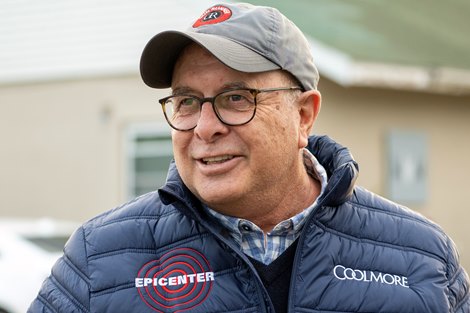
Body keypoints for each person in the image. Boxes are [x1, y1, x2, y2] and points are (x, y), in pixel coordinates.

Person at [28, 2, 469, 313]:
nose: (204, 127)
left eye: (236, 97)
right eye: (185, 102)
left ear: (304, 116)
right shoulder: (97, 262)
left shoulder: (421, 258)